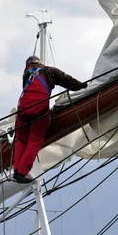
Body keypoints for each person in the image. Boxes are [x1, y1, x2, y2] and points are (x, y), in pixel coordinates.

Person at [13, 56, 87, 184]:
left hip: (22, 112)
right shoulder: (49, 71)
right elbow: (66, 80)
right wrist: (83, 86)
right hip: (39, 111)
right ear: (39, 63)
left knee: (21, 140)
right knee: (35, 140)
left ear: (28, 66)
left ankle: (16, 170)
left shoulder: (26, 77)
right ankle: (22, 172)